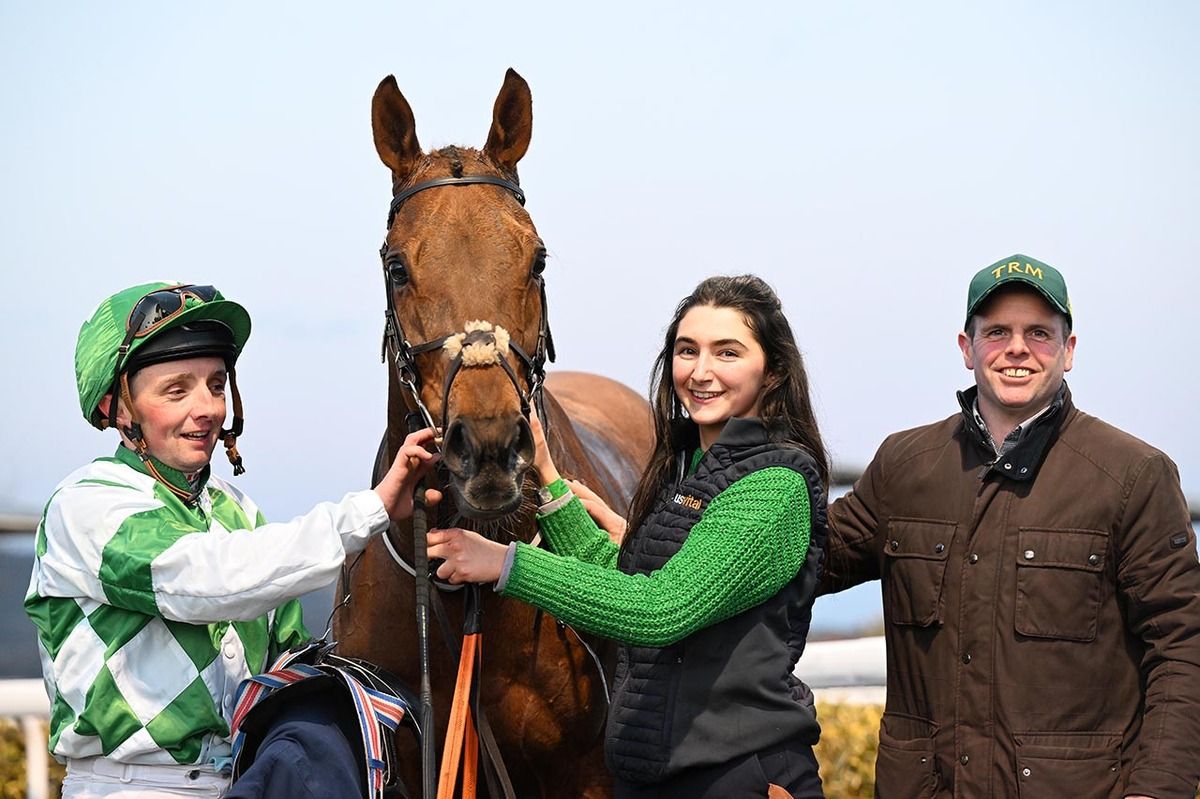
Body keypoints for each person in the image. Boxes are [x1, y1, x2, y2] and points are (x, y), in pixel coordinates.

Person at [26, 282, 439, 798]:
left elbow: (284, 663)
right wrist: (372, 509)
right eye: (177, 390)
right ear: (118, 407)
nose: (207, 408)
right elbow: (207, 581)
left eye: (216, 385)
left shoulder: (239, 510)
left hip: (246, 782)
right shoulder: (86, 504)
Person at [428, 274, 829, 799]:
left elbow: (658, 609)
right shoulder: (689, 470)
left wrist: (507, 564)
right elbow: (624, 582)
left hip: (738, 776)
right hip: (660, 773)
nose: (701, 372)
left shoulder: (773, 488)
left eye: (727, 353)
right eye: (688, 351)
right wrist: (548, 483)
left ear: (772, 370)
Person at [820, 255, 1200, 798]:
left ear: (1069, 351)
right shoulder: (905, 465)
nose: (1016, 348)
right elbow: (798, 559)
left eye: (1039, 333)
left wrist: (1157, 790)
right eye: (997, 331)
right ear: (965, 347)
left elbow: (1184, 646)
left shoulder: (1131, 476)